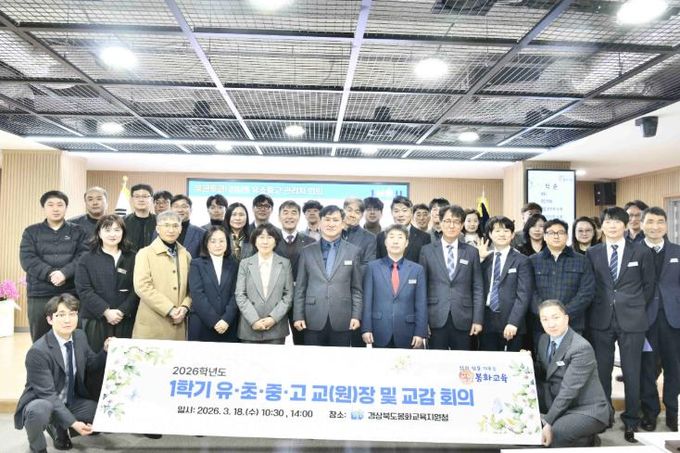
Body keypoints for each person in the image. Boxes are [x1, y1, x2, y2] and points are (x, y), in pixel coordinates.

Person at [586, 206, 655, 442]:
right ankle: (604, 416)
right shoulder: (593, 253)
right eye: (608, 222)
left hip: (633, 320)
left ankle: (631, 420)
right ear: (602, 226)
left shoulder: (641, 251)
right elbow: (590, 284)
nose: (612, 225)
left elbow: (649, 286)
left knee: (632, 371)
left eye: (617, 222)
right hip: (601, 319)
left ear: (625, 225)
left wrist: (634, 305)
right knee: (602, 372)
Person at [14, 294, 109, 453]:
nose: (67, 320)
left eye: (72, 314)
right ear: (50, 319)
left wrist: (105, 351)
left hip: (70, 401)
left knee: (101, 411)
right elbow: (48, 395)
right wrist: (74, 423)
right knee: (39, 410)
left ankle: (60, 424)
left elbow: (92, 364)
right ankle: (38, 447)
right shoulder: (38, 352)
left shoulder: (80, 336)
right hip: (43, 400)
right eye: (61, 315)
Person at [535, 300, 612, 448]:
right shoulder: (544, 339)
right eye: (545, 319)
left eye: (555, 317)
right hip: (557, 399)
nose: (551, 324)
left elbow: (568, 391)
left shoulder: (581, 348)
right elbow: (544, 370)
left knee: (556, 432)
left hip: (586, 408)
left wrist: (547, 421)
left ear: (566, 318)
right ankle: (583, 439)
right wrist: (526, 360)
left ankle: (587, 440)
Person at [20, 190, 88, 342]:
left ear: (66, 207)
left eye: (60, 205)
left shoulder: (78, 231)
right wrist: (50, 274)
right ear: (43, 208)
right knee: (40, 338)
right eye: (50, 205)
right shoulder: (31, 232)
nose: (55, 208)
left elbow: (83, 257)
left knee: (73, 336)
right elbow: (27, 259)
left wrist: (64, 273)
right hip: (39, 293)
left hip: (71, 292)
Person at [293, 205, 363, 347]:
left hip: (343, 318)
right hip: (312, 317)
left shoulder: (353, 251)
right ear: (320, 222)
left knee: (340, 359)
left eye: (335, 220)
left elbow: (356, 289)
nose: (331, 224)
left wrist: (356, 315)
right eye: (327, 219)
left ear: (343, 224)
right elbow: (300, 287)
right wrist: (298, 316)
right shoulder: (307, 251)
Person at [419, 205, 483, 350]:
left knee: (463, 362)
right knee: (436, 361)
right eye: (447, 221)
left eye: (456, 221)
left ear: (462, 225)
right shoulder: (427, 251)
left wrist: (478, 320)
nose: (451, 225)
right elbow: (422, 289)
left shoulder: (471, 252)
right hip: (435, 317)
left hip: (464, 317)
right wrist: (422, 321)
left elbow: (478, 288)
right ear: (440, 223)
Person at [639, 207, 680, 432]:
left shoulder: (677, 251)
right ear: (641, 224)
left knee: (675, 368)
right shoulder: (633, 251)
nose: (655, 226)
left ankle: (673, 413)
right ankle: (650, 413)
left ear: (666, 225)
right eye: (650, 221)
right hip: (643, 320)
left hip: (673, 320)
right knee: (646, 369)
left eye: (660, 222)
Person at [75, 215, 138, 352]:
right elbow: (84, 289)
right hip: (95, 319)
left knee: (124, 359)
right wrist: (106, 311)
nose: (112, 234)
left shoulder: (133, 257)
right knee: (95, 359)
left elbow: (137, 288)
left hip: (125, 319)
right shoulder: (86, 259)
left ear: (123, 232)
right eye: (107, 230)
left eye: (117, 230)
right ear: (99, 233)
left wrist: (122, 311)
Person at [361, 224, 426, 349]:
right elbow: (367, 300)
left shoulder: (417, 270)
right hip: (379, 329)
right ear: (385, 242)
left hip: (408, 331)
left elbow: (421, 303)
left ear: (406, 243)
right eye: (391, 237)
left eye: (400, 237)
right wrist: (366, 328)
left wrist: (420, 332)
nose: (395, 241)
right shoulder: (372, 267)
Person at [132, 210, 192, 341]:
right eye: (166, 225)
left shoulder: (186, 255)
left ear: (180, 229)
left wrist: (185, 307)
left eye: (175, 226)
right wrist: (170, 309)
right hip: (152, 323)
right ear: (158, 229)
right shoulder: (145, 253)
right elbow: (142, 286)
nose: (171, 230)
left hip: (179, 323)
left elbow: (191, 288)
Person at [530, 219, 595, 336]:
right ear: (544, 237)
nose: (556, 236)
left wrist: (563, 315)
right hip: (542, 325)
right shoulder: (532, 261)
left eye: (560, 232)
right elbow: (529, 292)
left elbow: (586, 293)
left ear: (567, 236)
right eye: (551, 233)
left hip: (573, 324)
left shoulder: (582, 260)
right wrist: (546, 314)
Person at [479, 216, 532, 352]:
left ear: (513, 235)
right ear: (490, 234)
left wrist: (513, 322)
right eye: (497, 231)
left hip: (511, 322)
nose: (502, 234)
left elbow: (524, 295)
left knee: (511, 362)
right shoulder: (484, 258)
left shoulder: (522, 260)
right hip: (486, 321)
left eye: (506, 231)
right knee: (488, 362)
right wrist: (479, 259)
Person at [236, 223, 294, 344]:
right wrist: (254, 320)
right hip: (250, 326)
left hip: (276, 328)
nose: (265, 241)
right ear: (255, 241)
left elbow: (288, 295)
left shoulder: (285, 263)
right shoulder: (245, 263)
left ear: (275, 241)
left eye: (269, 237)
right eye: (261, 237)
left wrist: (273, 318)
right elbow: (240, 294)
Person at [275, 200, 316, 345]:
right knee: (274, 342)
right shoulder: (270, 239)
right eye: (285, 212)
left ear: (299, 217)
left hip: (301, 299)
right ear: (279, 217)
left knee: (302, 341)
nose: (289, 216)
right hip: (276, 299)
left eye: (294, 213)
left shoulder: (311, 242)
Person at [188, 226, 239, 342]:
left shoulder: (234, 265)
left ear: (227, 243)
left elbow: (236, 294)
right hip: (202, 324)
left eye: (222, 241)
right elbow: (197, 295)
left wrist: (226, 319)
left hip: (228, 325)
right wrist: (214, 321)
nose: (218, 245)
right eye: (213, 241)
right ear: (206, 243)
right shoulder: (196, 264)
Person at [377, 196, 431, 263]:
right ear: (391, 213)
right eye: (396, 211)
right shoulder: (381, 237)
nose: (400, 215)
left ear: (411, 212)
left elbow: (426, 264)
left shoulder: (424, 237)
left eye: (404, 210)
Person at [124, 183, 156, 252]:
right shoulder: (122, 221)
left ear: (151, 199)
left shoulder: (159, 221)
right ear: (132, 199)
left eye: (145, 196)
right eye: (137, 196)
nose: (141, 200)